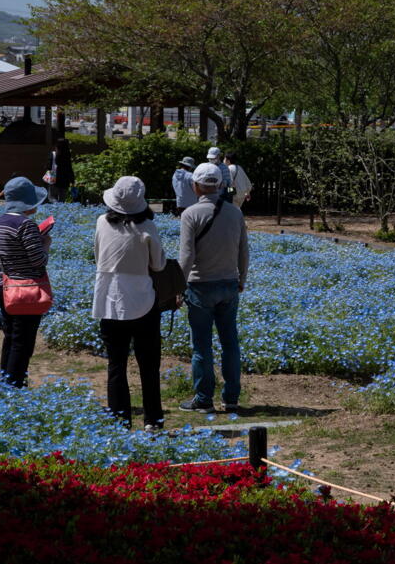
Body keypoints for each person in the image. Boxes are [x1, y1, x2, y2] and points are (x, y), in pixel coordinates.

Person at [92, 176, 167, 431]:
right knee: (148, 365)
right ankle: (153, 420)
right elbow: (158, 265)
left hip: (109, 299)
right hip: (142, 300)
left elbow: (97, 255)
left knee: (116, 364)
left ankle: (119, 420)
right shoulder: (147, 227)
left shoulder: (102, 222)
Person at [178, 162, 248, 414]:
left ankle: (204, 398)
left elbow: (186, 256)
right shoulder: (235, 213)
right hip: (229, 284)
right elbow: (243, 250)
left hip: (200, 286)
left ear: (195, 186)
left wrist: (178, 287)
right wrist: (242, 278)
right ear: (220, 185)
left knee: (202, 346)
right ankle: (231, 398)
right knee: (230, 342)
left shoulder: (190, 215)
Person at [0, 176, 51, 387]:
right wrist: (46, 244)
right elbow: (38, 261)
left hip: (4, 287)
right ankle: (15, 388)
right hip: (26, 291)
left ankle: (5, 382)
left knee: (10, 337)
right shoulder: (26, 225)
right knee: (23, 342)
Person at [47, 138, 75, 202]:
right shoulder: (67, 155)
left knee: (52, 197)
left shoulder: (53, 154)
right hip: (65, 180)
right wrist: (72, 180)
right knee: (62, 199)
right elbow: (69, 168)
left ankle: (56, 208)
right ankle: (60, 209)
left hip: (53, 179)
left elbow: (48, 167)